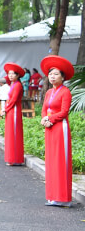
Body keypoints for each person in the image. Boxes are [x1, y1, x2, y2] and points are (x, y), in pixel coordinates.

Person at [40, 56, 75, 207]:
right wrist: (43, 119)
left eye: (56, 74)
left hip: (60, 128)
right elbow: (43, 110)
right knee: (51, 161)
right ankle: (53, 195)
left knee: (60, 160)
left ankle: (63, 198)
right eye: (51, 74)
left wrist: (50, 119)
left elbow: (64, 112)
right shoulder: (48, 92)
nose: (52, 77)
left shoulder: (65, 92)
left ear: (63, 77)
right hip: (49, 128)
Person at [3, 62, 25, 166]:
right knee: (10, 133)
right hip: (11, 110)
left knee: (14, 133)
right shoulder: (13, 84)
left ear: (18, 75)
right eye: (9, 73)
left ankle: (15, 158)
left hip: (14, 110)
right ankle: (11, 157)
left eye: (13, 74)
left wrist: (5, 109)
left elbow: (14, 100)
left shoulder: (18, 85)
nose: (10, 75)